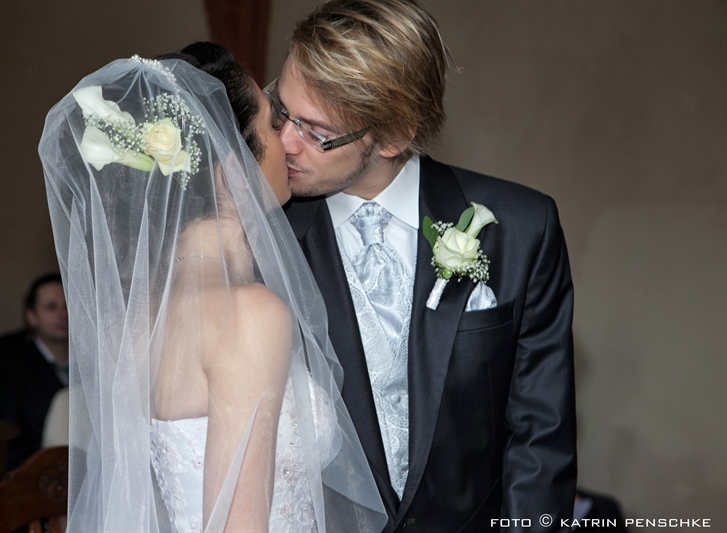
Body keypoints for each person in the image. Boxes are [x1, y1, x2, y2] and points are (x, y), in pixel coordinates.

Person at [38, 47, 386, 532]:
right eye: (271, 125)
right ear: (230, 167)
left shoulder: (144, 311)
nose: (288, 143)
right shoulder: (249, 313)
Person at [277, 1, 577, 531]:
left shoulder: (523, 228)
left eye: (316, 131)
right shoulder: (262, 231)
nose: (284, 143)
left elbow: (539, 440)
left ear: (393, 137)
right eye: (282, 112)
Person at [0, 273, 69, 469]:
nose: (63, 314)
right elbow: (6, 438)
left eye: (69, 305)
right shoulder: (8, 368)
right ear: (31, 316)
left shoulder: (95, 366)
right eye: (51, 307)